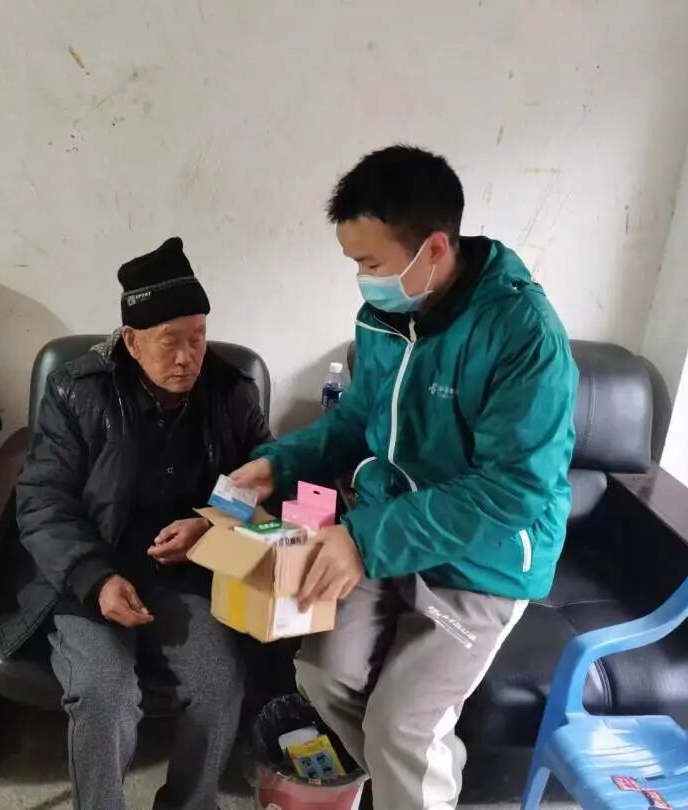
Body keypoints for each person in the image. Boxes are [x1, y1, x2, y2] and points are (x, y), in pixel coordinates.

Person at [232, 145, 578, 809]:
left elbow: (511, 492)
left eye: (370, 263)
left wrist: (362, 540)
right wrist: (279, 463)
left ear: (434, 248)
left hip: (482, 560)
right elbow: (356, 418)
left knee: (402, 726)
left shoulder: (524, 337)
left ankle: (411, 780)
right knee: (322, 674)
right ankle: (412, 786)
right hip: (387, 533)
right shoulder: (386, 318)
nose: (362, 280)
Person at [6, 237, 272, 810]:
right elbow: (43, 500)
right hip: (87, 572)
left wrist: (210, 525)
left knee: (219, 685)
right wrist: (96, 578)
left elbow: (263, 479)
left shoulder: (231, 394)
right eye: (169, 341)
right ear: (131, 340)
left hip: (184, 573)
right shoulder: (78, 391)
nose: (187, 357)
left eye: (197, 337)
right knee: (103, 692)